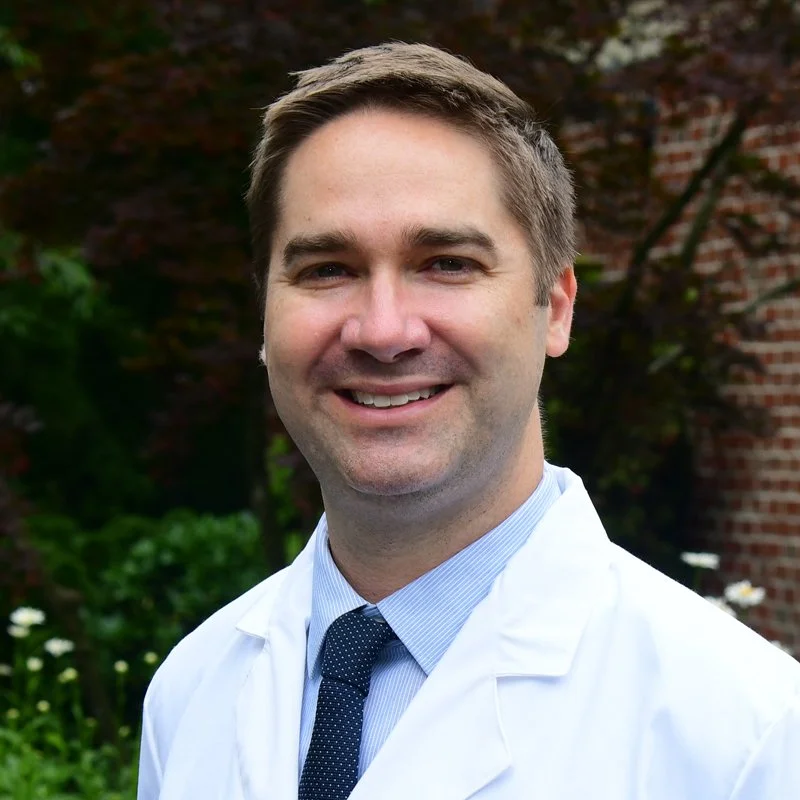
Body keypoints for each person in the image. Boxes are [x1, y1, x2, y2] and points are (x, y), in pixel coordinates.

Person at [137, 43, 800, 800]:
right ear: (265, 312)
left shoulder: (747, 735)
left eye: (447, 262)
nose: (383, 331)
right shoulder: (191, 692)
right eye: (328, 269)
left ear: (554, 308)